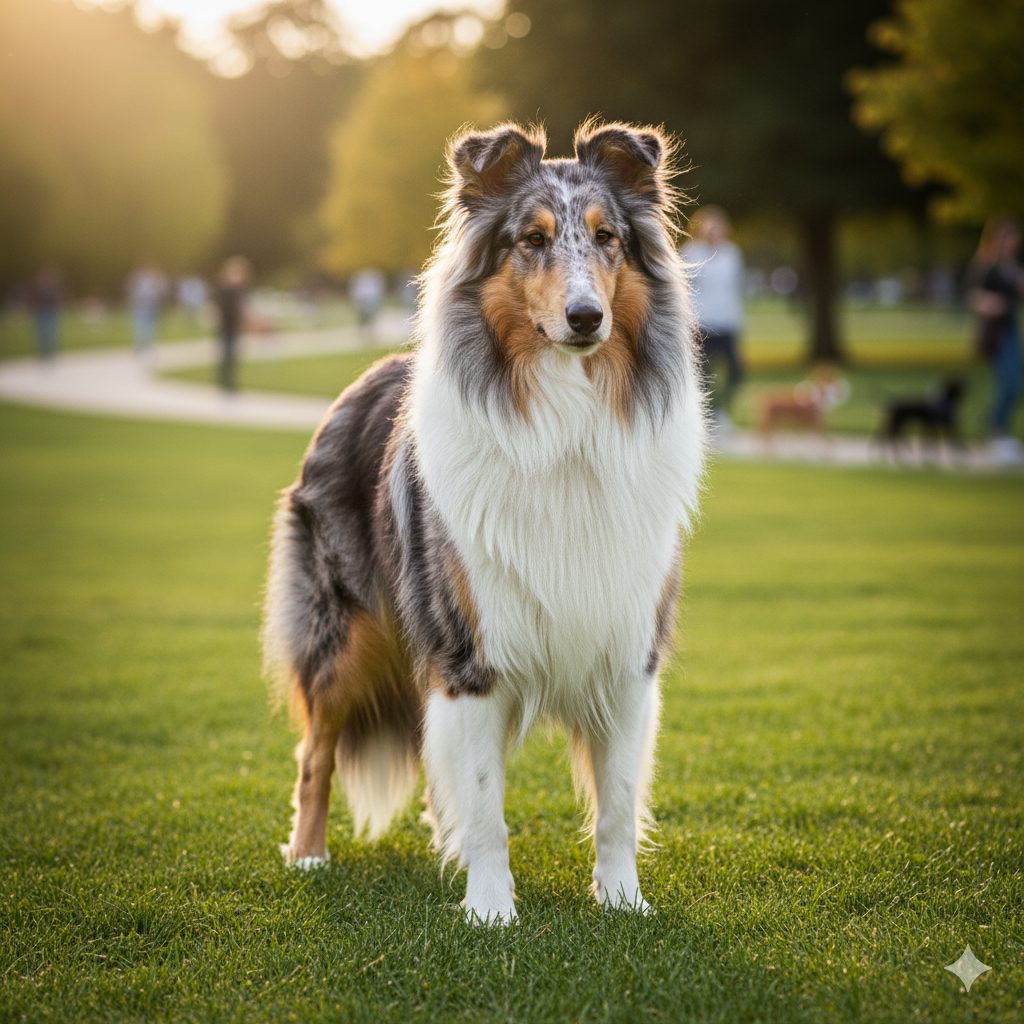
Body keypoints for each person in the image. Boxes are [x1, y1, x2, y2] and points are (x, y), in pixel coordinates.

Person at [681, 206, 745, 433]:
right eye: (710, 228)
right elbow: (684, 290)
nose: (714, 233)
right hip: (701, 324)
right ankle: (704, 418)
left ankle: (719, 411)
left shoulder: (732, 254)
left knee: (736, 372)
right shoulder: (691, 253)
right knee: (702, 374)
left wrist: (738, 321)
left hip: (727, 323)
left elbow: (734, 290)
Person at [967, 216, 1023, 464]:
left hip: (1011, 330)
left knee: (1016, 382)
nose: (1010, 242)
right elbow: (971, 294)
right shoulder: (987, 265)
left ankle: (998, 425)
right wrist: (989, 303)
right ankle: (997, 429)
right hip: (994, 332)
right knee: (1009, 380)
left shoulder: (1013, 267)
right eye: (1006, 237)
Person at [215, 256, 251, 393]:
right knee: (227, 355)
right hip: (227, 326)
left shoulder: (237, 288)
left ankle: (228, 382)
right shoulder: (228, 288)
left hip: (232, 326)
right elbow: (229, 308)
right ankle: (226, 383)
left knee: (231, 355)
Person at [126, 262, 167, 365]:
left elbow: (161, 291)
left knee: (149, 328)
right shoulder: (138, 279)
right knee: (141, 327)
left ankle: (147, 348)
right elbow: (132, 292)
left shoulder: (154, 280)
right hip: (142, 306)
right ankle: (140, 348)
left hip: (151, 306)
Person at [26, 267, 62, 361]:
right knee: (42, 333)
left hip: (51, 312)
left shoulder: (53, 289)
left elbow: (56, 300)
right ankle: (44, 352)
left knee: (51, 333)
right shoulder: (38, 288)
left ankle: (51, 352)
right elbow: (33, 300)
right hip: (42, 312)